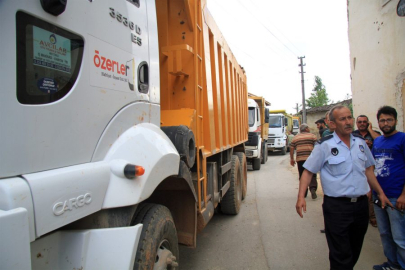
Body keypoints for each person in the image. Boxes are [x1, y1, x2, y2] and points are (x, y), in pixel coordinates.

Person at [296, 105, 392, 270]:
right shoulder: (324, 145)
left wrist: (381, 193)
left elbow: (369, 170)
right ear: (332, 124)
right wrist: (300, 198)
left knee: (355, 249)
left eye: (349, 117)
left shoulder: (361, 143)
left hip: (361, 206)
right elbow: (308, 171)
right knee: (340, 254)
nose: (348, 122)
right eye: (343, 119)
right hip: (337, 207)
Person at [372, 106, 405, 270]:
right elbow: (372, 168)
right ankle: (392, 264)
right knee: (385, 233)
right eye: (382, 120)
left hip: (395, 196)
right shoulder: (377, 141)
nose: (386, 123)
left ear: (396, 121)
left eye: (389, 119)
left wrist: (404, 195)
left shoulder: (402, 139)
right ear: (378, 122)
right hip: (378, 196)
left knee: (400, 237)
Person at [353, 114, 381, 227]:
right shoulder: (353, 135)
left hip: (374, 167)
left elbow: (379, 140)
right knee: (361, 192)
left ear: (368, 123)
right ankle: (360, 216)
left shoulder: (375, 134)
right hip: (358, 167)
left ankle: (373, 217)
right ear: (357, 123)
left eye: (365, 122)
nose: (362, 124)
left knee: (372, 191)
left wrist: (370, 130)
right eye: (360, 122)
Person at [290, 124, 318, 199]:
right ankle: (313, 189)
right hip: (311, 159)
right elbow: (317, 147)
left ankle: (304, 192)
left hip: (300, 159)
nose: (309, 129)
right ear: (306, 129)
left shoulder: (295, 137)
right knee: (312, 174)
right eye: (308, 128)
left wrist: (292, 159)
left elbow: (292, 148)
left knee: (302, 175)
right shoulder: (312, 136)